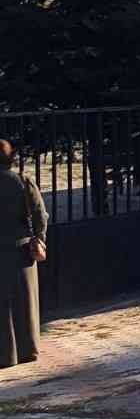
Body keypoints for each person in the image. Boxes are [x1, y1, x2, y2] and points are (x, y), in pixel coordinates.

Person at [2, 139, 48, 369]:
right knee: (25, 301)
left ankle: (4, 354)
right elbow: (40, 214)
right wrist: (39, 238)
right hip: (21, 250)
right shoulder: (22, 181)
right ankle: (28, 349)